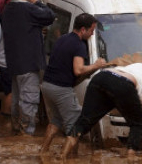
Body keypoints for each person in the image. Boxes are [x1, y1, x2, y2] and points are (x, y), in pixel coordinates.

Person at [63, 62, 142, 158]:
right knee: (138, 124)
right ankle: (131, 159)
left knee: (85, 120)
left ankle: (64, 156)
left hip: (101, 77)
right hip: (123, 84)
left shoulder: (141, 66)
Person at [40, 13, 108, 154]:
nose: (92, 34)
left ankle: (43, 151)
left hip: (47, 86)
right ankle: (69, 159)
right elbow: (78, 70)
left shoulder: (63, 39)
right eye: (92, 30)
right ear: (83, 29)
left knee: (56, 120)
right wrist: (96, 65)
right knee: (76, 125)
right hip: (60, 89)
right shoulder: (79, 45)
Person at [0, 0, 55, 135]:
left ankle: (17, 130)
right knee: (29, 100)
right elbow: (50, 16)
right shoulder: (28, 9)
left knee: (17, 98)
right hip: (29, 63)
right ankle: (26, 134)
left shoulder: (7, 9)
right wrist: (36, 2)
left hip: (14, 63)